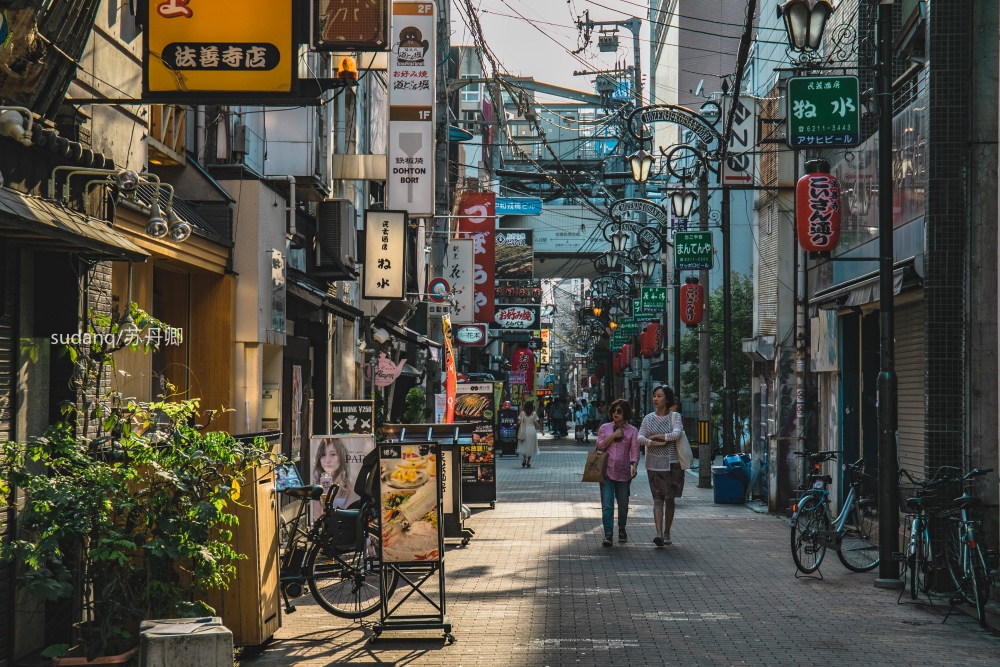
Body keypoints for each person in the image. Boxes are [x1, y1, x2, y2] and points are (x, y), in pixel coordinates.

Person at [638, 386, 685, 547]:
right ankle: (658, 533)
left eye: (659, 396)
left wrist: (657, 436)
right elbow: (639, 438)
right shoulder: (648, 418)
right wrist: (654, 443)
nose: (655, 399)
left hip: (672, 464)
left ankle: (667, 532)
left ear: (667, 399)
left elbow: (676, 434)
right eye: (654, 396)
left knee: (670, 499)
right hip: (654, 465)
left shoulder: (675, 417)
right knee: (657, 499)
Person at [595, 399, 639, 547]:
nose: (615, 413)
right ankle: (608, 534)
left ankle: (621, 528)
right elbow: (600, 446)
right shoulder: (605, 428)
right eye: (613, 410)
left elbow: (634, 450)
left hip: (624, 473)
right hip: (606, 471)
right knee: (607, 504)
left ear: (625, 413)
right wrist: (613, 436)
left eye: (619, 411)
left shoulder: (632, 431)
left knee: (623, 503)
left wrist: (634, 465)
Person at [311, 438, 355, 519]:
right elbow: (318, 514)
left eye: (333, 454)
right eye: (323, 454)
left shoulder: (350, 481)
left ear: (341, 456)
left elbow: (346, 513)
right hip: (321, 526)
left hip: (342, 526)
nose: (327, 460)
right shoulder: (314, 479)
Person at [516, 400, 542, 468]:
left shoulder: (522, 413)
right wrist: (541, 431)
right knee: (530, 446)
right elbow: (537, 423)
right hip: (532, 431)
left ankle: (524, 459)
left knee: (524, 446)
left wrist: (515, 425)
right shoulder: (534, 414)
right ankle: (528, 462)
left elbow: (519, 421)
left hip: (524, 430)